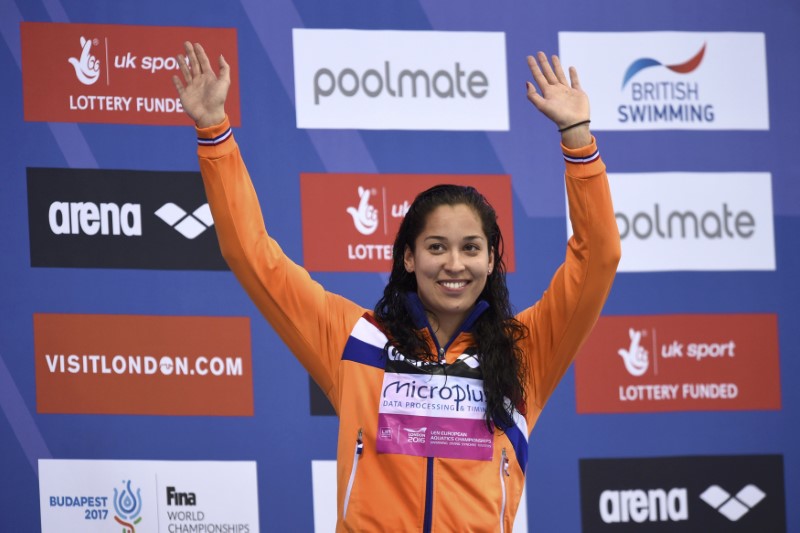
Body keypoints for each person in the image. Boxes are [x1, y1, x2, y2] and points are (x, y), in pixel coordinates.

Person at [174, 41, 620, 532]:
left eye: (472, 248)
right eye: (436, 247)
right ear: (408, 258)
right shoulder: (357, 339)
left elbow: (598, 258)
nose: (455, 264)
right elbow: (253, 256)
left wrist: (577, 137)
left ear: (493, 260)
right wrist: (214, 130)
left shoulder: (525, 352)